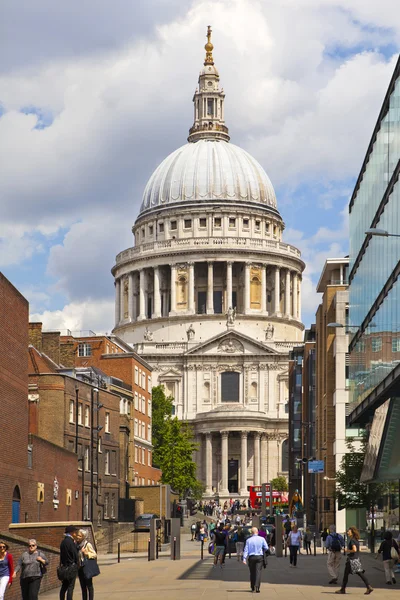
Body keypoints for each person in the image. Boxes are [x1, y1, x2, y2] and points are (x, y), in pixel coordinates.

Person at [336, 526, 373, 595]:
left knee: (346, 575)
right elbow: (359, 549)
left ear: (352, 533)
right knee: (360, 573)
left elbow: (354, 550)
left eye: (349, 532)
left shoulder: (352, 540)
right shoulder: (356, 540)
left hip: (351, 560)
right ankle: (368, 586)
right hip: (356, 559)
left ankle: (343, 589)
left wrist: (347, 550)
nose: (347, 532)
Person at [242, 527, 268, 593]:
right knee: (258, 572)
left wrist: (244, 558)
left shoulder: (248, 540)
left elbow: (246, 550)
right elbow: (266, 547)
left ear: (251, 532)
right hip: (259, 557)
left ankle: (252, 586)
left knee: (252, 572)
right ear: (257, 532)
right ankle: (257, 587)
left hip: (251, 557)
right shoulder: (262, 539)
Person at [76, 529, 97, 600]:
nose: (77, 537)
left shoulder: (87, 544)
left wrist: (87, 553)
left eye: (79, 535)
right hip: (80, 568)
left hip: (87, 567)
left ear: (83, 537)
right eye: (77, 535)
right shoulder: (76, 545)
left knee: (89, 586)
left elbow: (94, 554)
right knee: (83, 587)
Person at [59, 525, 79, 600]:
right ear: (71, 532)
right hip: (71, 567)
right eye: (75, 532)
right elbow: (75, 554)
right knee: (70, 587)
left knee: (64, 586)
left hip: (64, 567)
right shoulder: (71, 542)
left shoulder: (63, 542)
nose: (76, 533)